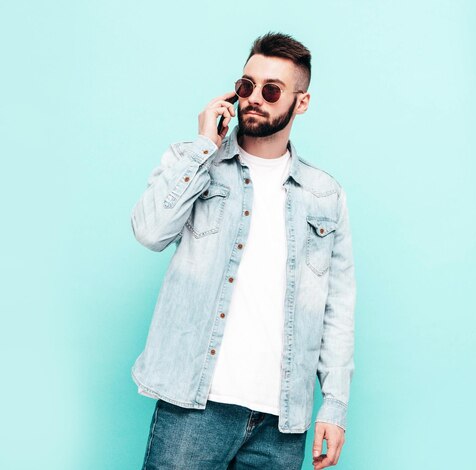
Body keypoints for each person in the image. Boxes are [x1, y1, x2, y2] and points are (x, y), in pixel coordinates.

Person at [130, 31, 356, 470]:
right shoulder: (195, 162)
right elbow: (149, 231)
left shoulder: (324, 195)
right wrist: (201, 147)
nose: (255, 99)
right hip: (194, 405)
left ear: (301, 102)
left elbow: (338, 307)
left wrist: (334, 403)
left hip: (281, 423)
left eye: (271, 90)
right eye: (245, 86)